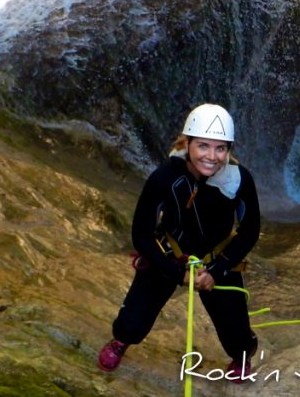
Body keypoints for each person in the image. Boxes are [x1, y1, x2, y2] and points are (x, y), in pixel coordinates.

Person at [97, 103, 261, 381]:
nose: (211, 157)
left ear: (229, 149)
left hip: (216, 259)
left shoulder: (238, 180)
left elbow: (250, 230)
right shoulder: (165, 177)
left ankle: (240, 356)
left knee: (238, 340)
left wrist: (217, 270)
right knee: (130, 325)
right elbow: (142, 234)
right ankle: (121, 340)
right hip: (171, 254)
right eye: (203, 146)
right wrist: (177, 273)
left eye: (220, 148)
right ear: (188, 143)